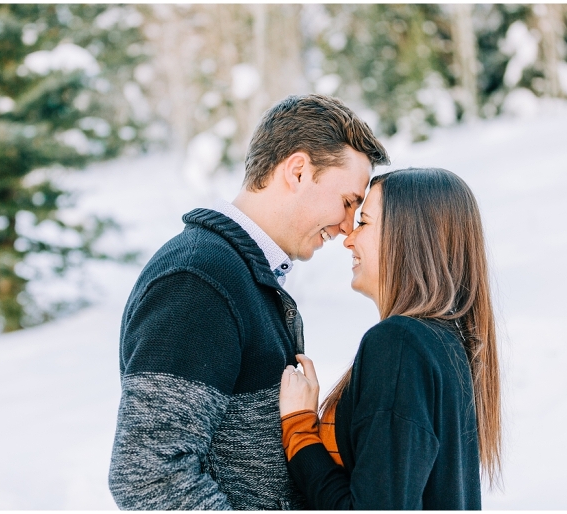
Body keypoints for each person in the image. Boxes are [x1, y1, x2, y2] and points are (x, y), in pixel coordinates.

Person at [108, 94, 389, 509]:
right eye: (348, 201)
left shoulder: (241, 276)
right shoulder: (199, 280)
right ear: (297, 171)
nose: (348, 226)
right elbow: (148, 475)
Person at [279, 167, 502, 509]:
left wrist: (298, 432)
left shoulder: (399, 344)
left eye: (364, 222)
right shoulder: (445, 345)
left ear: (409, 236)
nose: (349, 238)